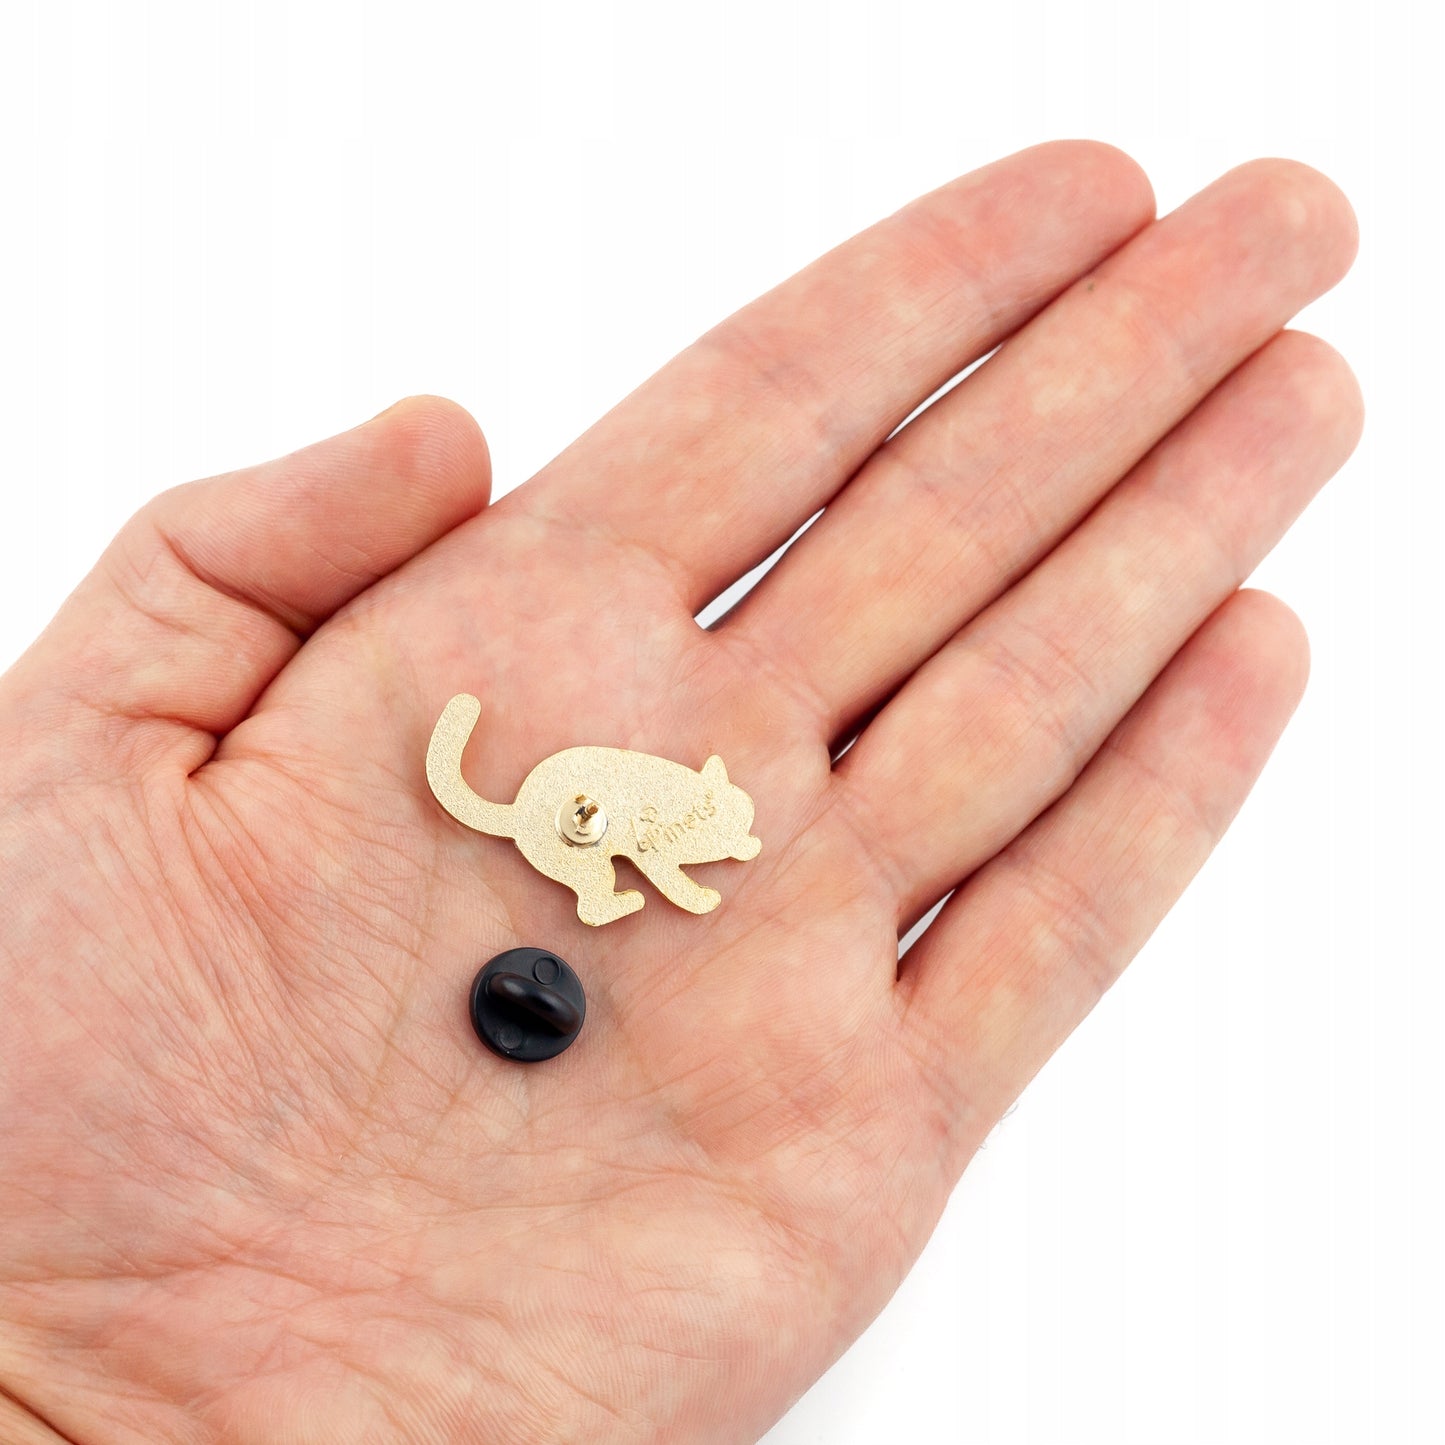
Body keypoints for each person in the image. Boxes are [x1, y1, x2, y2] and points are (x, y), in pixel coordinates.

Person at [0, 141, 1359, 1444]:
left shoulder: (682, 806)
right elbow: (640, 846)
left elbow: (677, 842)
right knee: (601, 853)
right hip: (560, 825)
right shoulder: (642, 816)